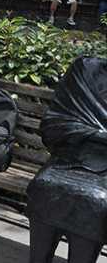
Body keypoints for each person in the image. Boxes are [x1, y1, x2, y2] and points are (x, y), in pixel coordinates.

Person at [27, 56, 107, 263]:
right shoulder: (84, 69)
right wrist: (98, 135)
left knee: (96, 200)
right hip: (70, 157)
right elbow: (53, 124)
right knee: (44, 185)